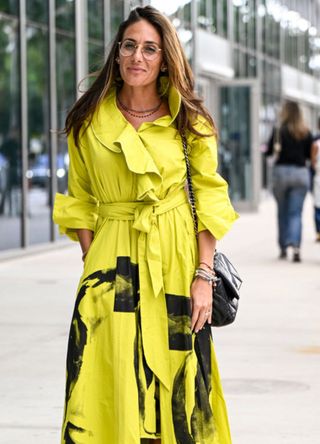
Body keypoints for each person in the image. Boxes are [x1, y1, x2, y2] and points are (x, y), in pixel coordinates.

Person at [53, 6, 238, 444]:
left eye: (150, 48)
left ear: (164, 59)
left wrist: (203, 274)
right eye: (130, 45)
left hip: (176, 259)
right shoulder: (88, 121)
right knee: (110, 381)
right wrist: (93, 264)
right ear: (117, 55)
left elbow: (209, 198)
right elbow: (79, 199)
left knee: (177, 386)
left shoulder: (188, 121)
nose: (138, 55)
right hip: (111, 263)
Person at [266, 101, 313, 262]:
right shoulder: (306, 132)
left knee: (282, 212)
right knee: (296, 212)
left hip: (281, 173)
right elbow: (309, 155)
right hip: (300, 173)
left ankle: (283, 247)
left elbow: (269, 151)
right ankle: (296, 246)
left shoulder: (279, 130)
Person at [311, 117, 320, 241]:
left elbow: (312, 162)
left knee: (318, 206)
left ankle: (319, 232)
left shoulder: (315, 144)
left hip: (319, 177)